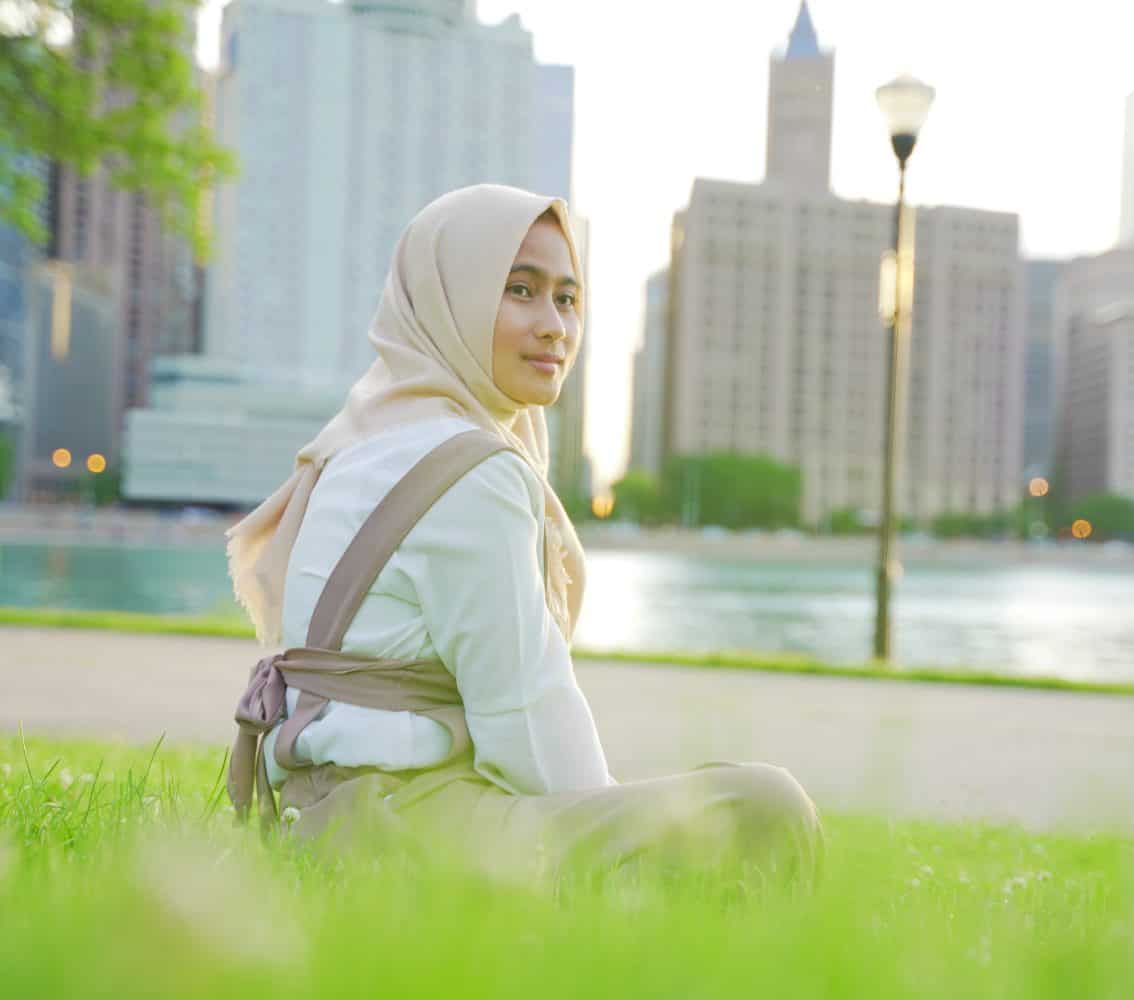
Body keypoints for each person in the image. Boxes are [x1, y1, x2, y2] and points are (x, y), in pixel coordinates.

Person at [225, 184, 820, 888]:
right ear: (449, 297)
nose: (554, 326)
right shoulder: (471, 471)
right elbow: (526, 718)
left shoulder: (355, 446)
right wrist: (609, 832)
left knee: (690, 801)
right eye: (520, 290)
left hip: (317, 818)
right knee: (761, 806)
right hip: (400, 835)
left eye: (567, 299)